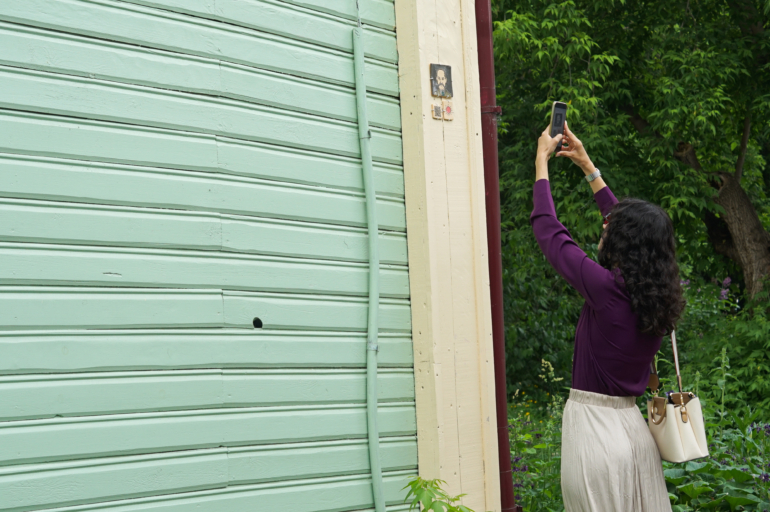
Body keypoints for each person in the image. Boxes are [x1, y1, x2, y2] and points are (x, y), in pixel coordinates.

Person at [531, 121, 684, 511]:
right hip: (634, 435)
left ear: (620, 242)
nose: (605, 228)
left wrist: (541, 164)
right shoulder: (656, 297)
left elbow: (550, 231)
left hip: (595, 435)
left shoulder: (605, 290)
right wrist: (587, 166)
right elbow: (633, 230)